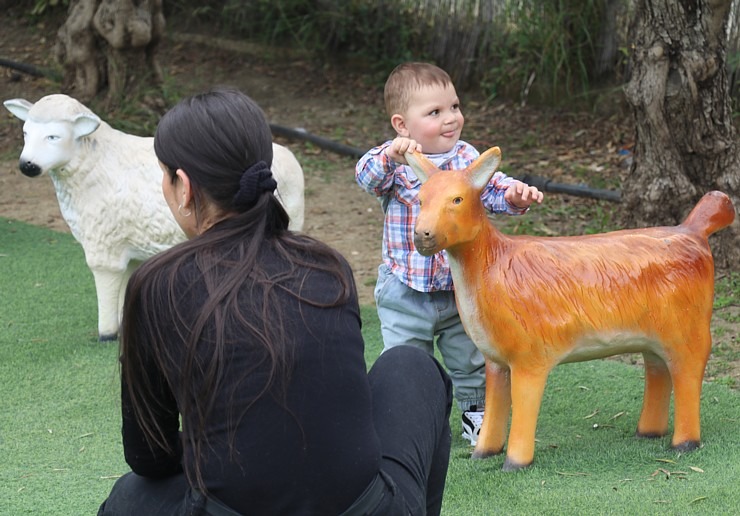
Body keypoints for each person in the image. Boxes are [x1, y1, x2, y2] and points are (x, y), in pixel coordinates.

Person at [98, 88, 453, 516]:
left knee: (129, 497)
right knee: (412, 366)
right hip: (370, 508)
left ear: (184, 186)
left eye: (165, 176)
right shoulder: (327, 265)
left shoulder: (156, 285)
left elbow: (148, 456)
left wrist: (214, 447)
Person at [356, 62, 543, 446]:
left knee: (469, 357)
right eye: (435, 112)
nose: (450, 118)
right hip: (405, 288)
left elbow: (491, 189)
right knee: (407, 358)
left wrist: (513, 196)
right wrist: (391, 156)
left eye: (454, 106)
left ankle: (477, 416)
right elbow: (366, 177)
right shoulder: (396, 161)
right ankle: (408, 419)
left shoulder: (465, 157)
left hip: (460, 289)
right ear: (401, 125)